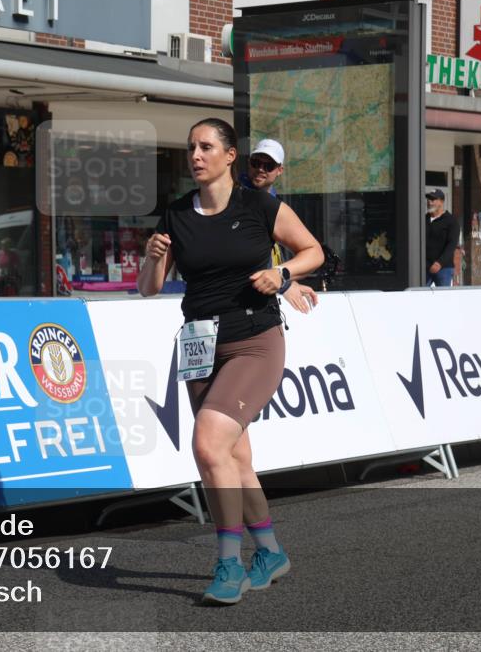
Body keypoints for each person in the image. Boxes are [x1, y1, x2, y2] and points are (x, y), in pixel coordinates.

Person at [138, 118, 323, 605]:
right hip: (200, 345)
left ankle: (227, 564)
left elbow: (313, 251)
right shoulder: (176, 214)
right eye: (190, 147)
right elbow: (149, 287)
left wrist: (280, 272)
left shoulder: (258, 204)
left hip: (254, 341)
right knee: (235, 457)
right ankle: (269, 552)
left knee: (207, 443)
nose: (195, 155)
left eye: (205, 147)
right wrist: (154, 257)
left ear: (228, 156)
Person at [241, 138, 319, 314]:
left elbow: (312, 252)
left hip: (263, 303)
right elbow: (246, 256)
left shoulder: (275, 204)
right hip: (240, 304)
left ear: (280, 170)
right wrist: (285, 285)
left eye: (268, 166)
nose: (260, 169)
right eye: (256, 162)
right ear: (249, 163)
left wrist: (285, 280)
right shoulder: (236, 198)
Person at [425, 188, 458, 287]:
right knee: (419, 297)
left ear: (441, 202)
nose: (429, 202)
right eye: (428, 199)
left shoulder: (451, 221)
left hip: (444, 269)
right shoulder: (423, 219)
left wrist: (439, 263)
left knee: (443, 299)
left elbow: (452, 245)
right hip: (425, 268)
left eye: (433, 199)